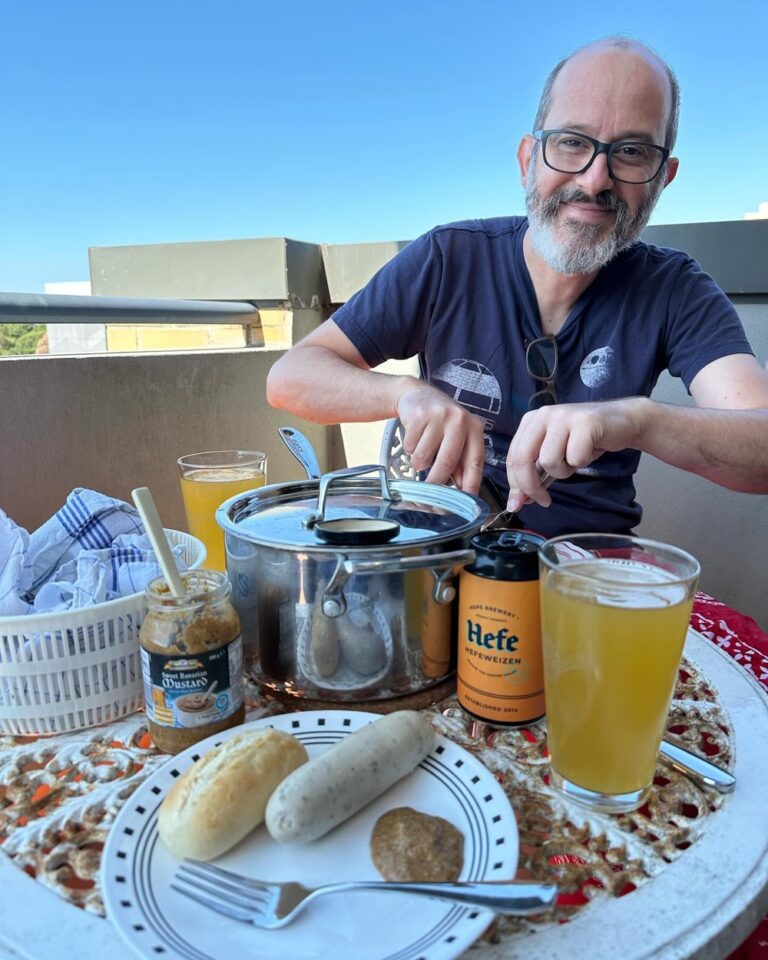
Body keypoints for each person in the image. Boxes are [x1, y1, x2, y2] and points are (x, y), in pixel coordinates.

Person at [267, 36, 768, 537]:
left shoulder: (675, 288)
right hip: (442, 555)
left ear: (664, 177)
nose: (595, 180)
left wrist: (635, 420)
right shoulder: (449, 257)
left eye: (632, 152)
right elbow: (291, 377)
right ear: (529, 158)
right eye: (572, 141)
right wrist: (405, 394)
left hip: (586, 574)